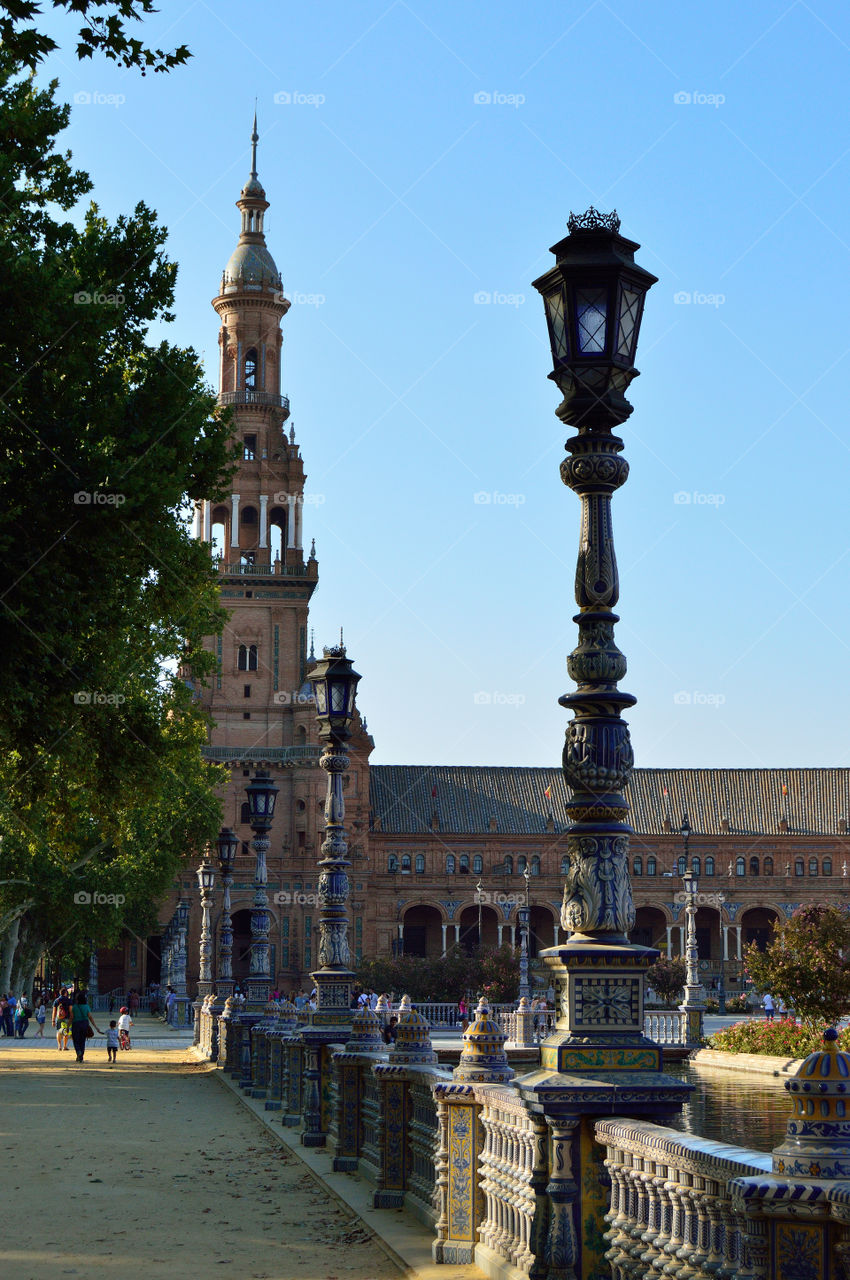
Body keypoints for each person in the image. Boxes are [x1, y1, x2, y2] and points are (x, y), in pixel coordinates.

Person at [70, 988, 103, 1062]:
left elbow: (71, 1017)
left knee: (76, 1040)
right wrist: (95, 1027)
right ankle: (81, 1057)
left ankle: (78, 1052)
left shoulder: (74, 1007)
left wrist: (68, 1026)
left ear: (77, 999)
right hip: (84, 1024)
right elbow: (90, 1017)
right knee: (82, 1040)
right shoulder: (87, 1007)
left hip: (76, 1024)